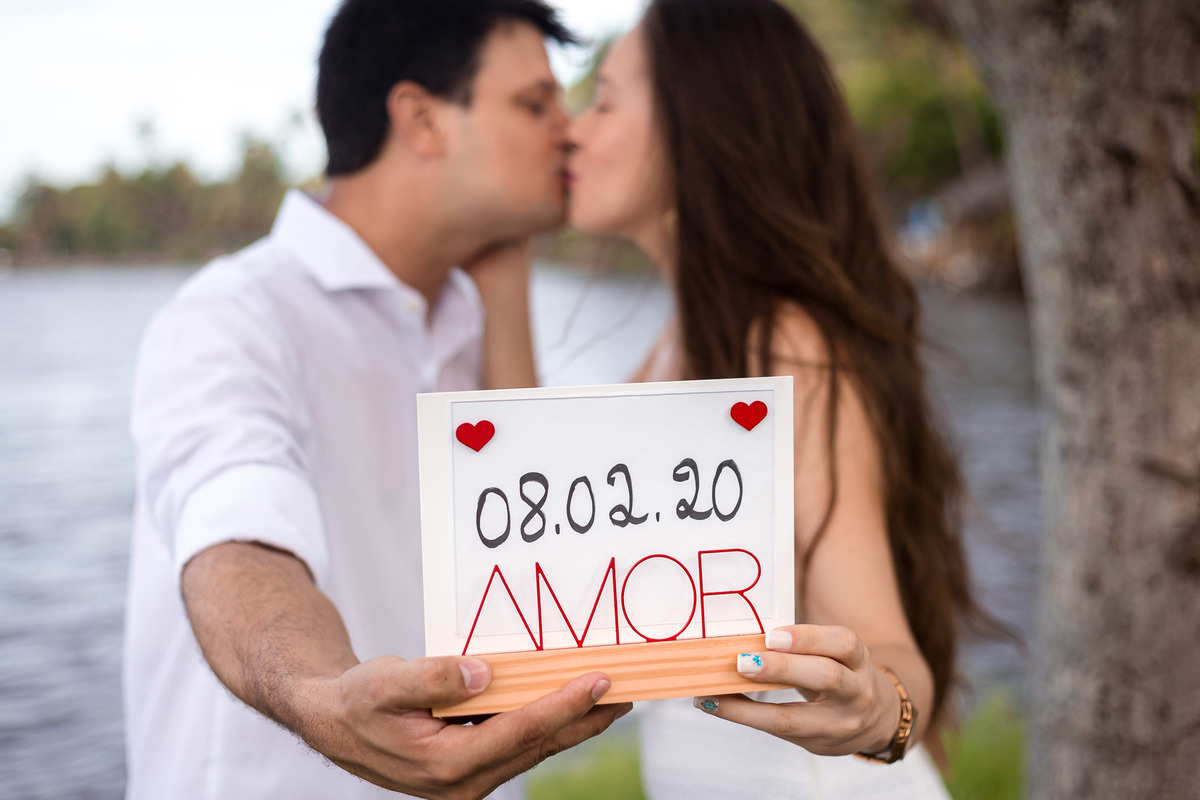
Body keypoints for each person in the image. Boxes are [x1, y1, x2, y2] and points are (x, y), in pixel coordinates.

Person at [122, 2, 631, 798]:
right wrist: (319, 693)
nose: (567, 131)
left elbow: (543, 572)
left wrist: (504, 272)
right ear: (422, 120)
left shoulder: (472, 321)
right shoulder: (234, 316)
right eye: (535, 104)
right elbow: (236, 538)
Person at [563, 0, 995, 795]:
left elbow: (890, 651)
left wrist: (878, 711)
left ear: (700, 124)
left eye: (605, 100)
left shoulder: (777, 342)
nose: (573, 129)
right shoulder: (681, 341)